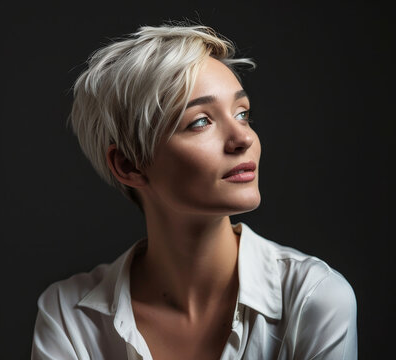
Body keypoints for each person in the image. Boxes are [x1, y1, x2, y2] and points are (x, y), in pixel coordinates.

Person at [31, 23, 357, 360]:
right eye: (200, 121)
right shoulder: (69, 316)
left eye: (242, 114)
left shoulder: (314, 298)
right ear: (129, 165)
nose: (243, 138)